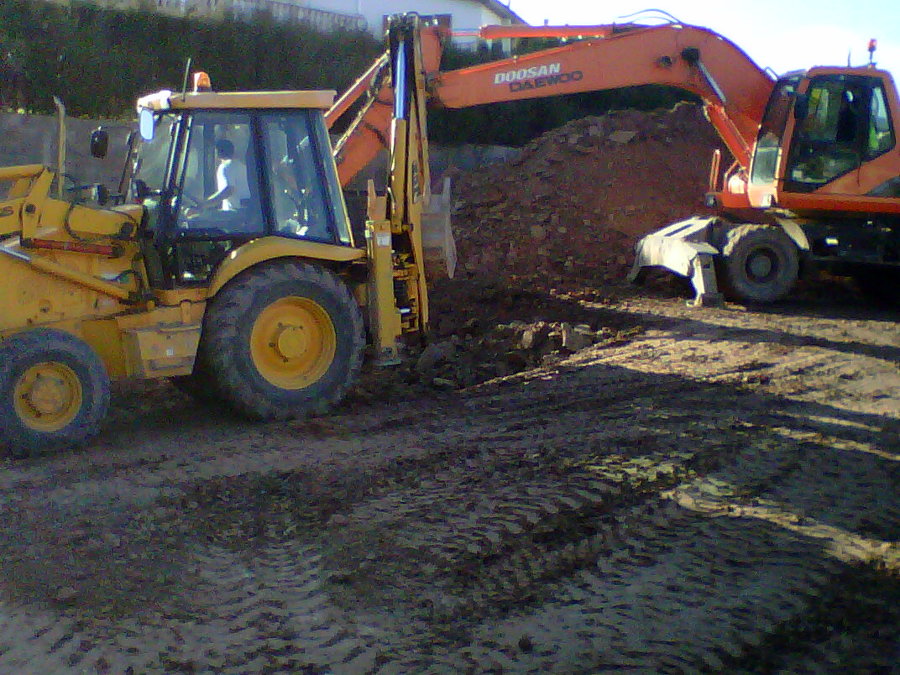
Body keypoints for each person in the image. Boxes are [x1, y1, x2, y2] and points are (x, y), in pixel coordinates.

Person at [200, 138, 251, 211]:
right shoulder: (242, 166)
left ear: (217, 152)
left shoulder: (225, 167)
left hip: (234, 215)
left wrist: (205, 204)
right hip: (246, 212)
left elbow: (228, 190)